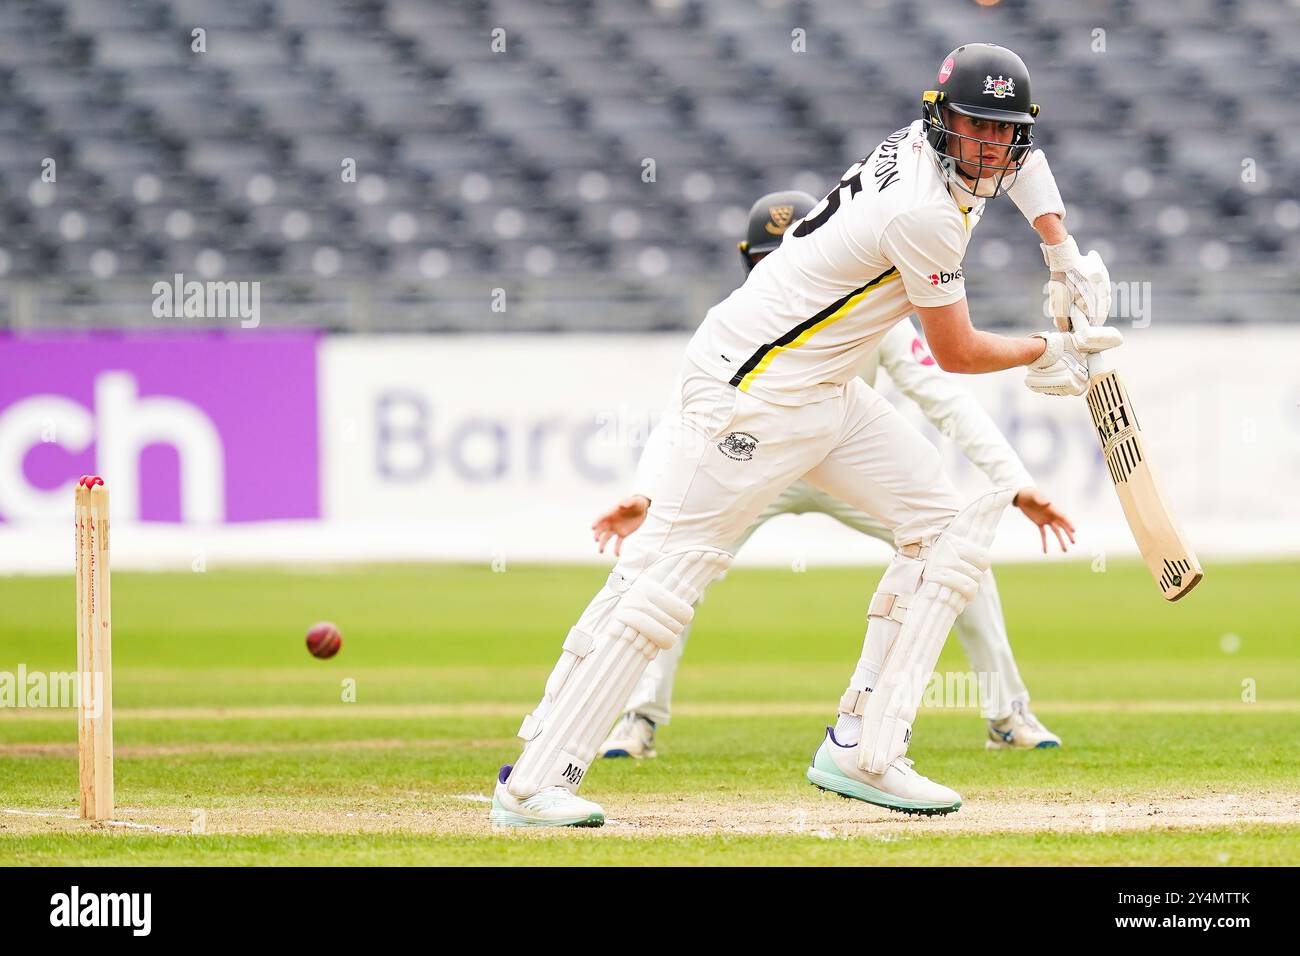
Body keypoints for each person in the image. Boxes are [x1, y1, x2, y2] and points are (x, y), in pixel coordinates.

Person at [490, 43, 1118, 827]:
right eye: (972, 128)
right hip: (749, 394)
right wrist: (1048, 349)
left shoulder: (957, 154)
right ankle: (532, 784)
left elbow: (1023, 167)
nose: (988, 147)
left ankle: (865, 749)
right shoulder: (922, 211)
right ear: (939, 120)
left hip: (823, 391)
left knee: (943, 526)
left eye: (1002, 132)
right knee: (665, 579)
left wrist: (1059, 251)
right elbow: (955, 353)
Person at [595, 188, 1066, 762]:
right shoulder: (738, 323)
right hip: (758, 464)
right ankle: (638, 718)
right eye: (764, 263)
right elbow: (689, 417)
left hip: (844, 459)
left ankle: (1007, 712)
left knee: (956, 551)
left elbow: (944, 395)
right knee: (671, 566)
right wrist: (648, 494)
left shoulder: (872, 318)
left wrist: (1015, 483)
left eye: (786, 258)